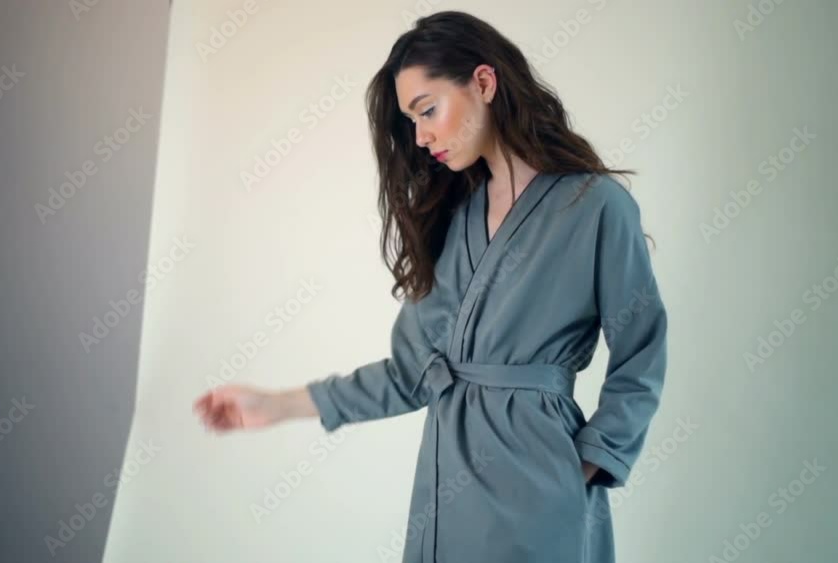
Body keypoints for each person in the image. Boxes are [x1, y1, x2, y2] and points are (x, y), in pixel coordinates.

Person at [193, 10, 667, 563]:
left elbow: (641, 351)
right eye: (411, 121)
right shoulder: (457, 220)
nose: (420, 137)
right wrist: (277, 404)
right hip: (446, 485)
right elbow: (408, 374)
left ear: (483, 83)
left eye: (427, 110)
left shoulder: (595, 206)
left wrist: (583, 465)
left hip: (542, 490)